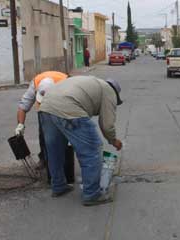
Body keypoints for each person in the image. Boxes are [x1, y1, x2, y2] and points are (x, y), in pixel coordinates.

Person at [39, 76, 123, 206]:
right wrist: (113, 140)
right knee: (92, 151)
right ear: (116, 93)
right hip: (68, 107)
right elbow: (107, 125)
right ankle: (91, 194)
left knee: (55, 151)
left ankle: (58, 186)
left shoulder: (91, 82)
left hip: (46, 106)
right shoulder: (109, 91)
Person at [15, 71, 68, 169]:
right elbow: (23, 106)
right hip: (42, 110)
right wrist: (20, 125)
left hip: (62, 107)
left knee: (64, 133)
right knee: (44, 133)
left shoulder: (66, 83)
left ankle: (64, 158)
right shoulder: (35, 83)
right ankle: (44, 158)